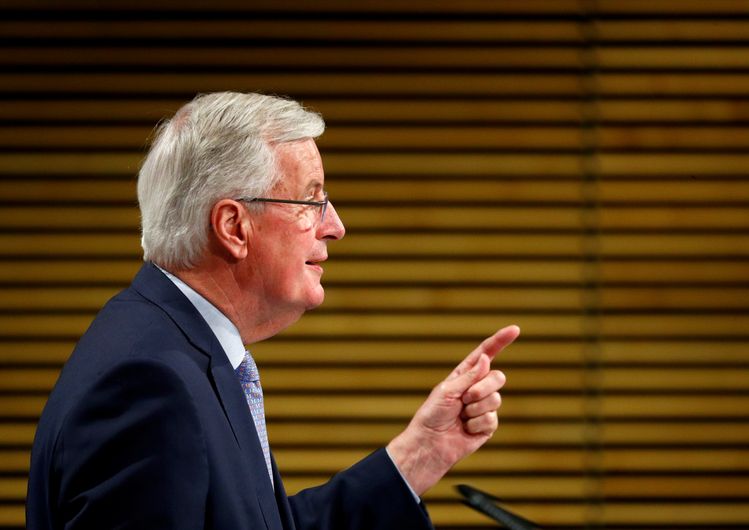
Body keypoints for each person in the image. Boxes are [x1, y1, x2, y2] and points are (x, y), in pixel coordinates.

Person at [26, 92, 520, 530]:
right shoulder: (149, 385)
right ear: (234, 227)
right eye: (311, 200)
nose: (335, 226)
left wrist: (421, 453)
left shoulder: (175, 349)